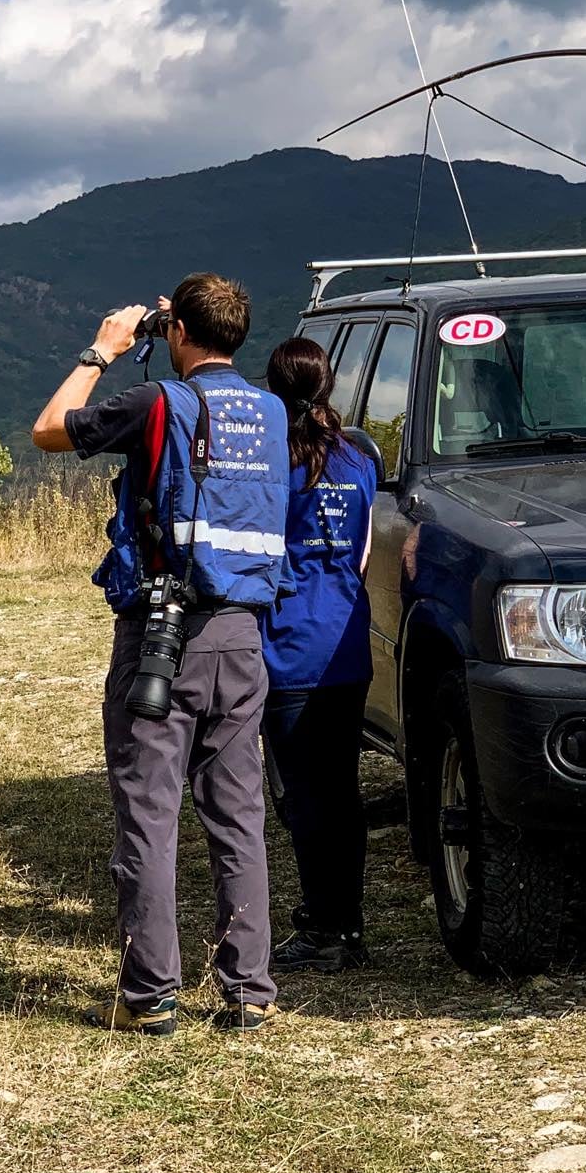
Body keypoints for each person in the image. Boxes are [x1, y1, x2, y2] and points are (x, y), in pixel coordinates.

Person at [31, 273, 290, 1035]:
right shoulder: (271, 410)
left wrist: (102, 349)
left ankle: (151, 995)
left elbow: (50, 429)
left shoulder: (158, 403)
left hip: (163, 634)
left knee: (149, 814)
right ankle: (248, 989)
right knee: (238, 815)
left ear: (178, 332)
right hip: (244, 633)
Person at [259, 337, 379, 973]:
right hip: (347, 642)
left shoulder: (270, 463)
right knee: (341, 790)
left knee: (302, 796)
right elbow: (360, 550)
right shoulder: (358, 460)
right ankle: (348, 923)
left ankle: (323, 926)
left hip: (287, 645)